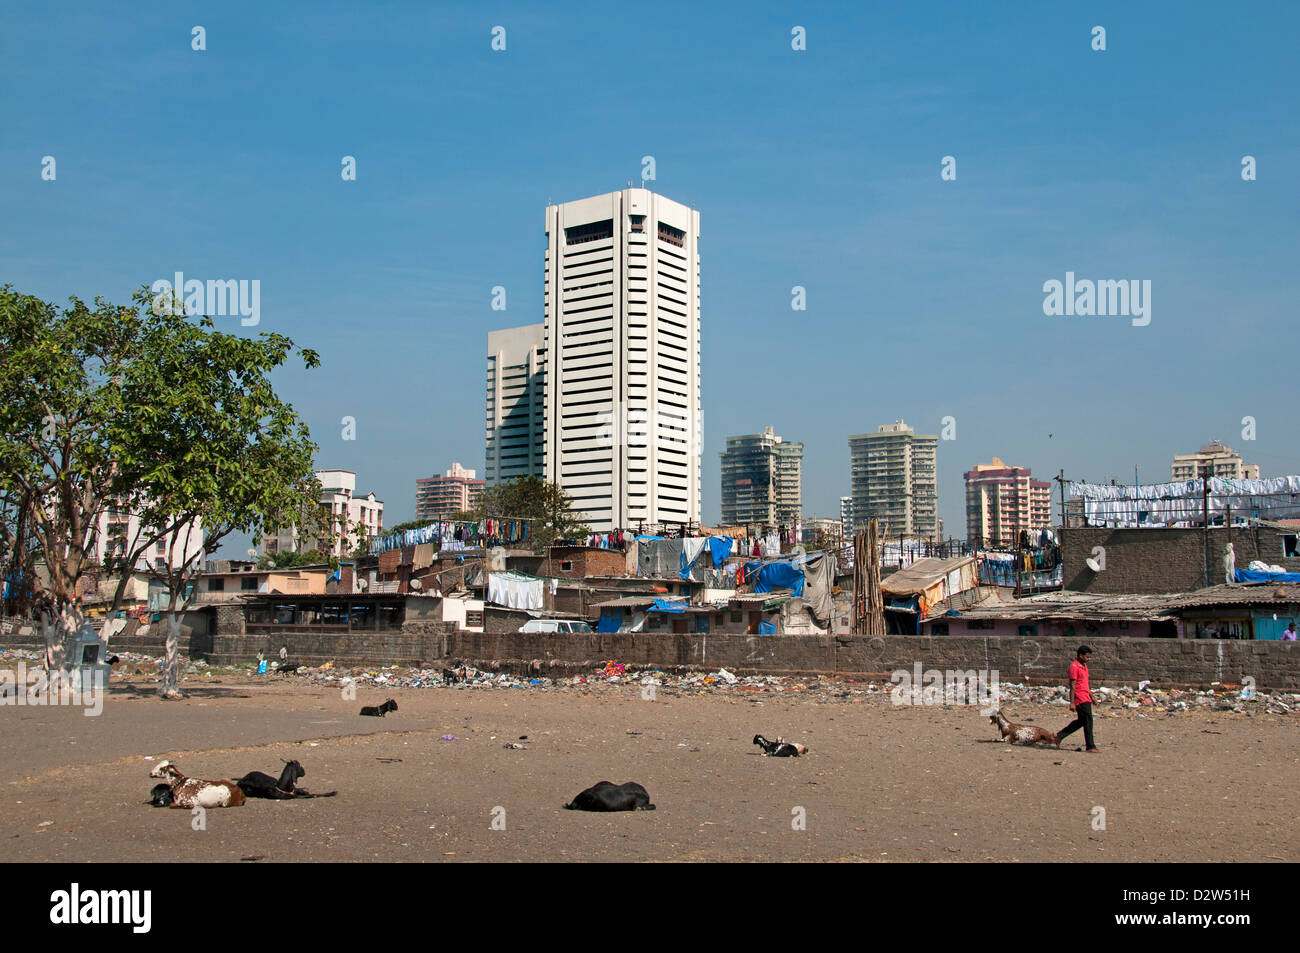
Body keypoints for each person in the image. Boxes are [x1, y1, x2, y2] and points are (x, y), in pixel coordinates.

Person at [1056, 645, 1099, 752]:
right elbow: (1073, 685)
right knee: (1088, 721)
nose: (1088, 659)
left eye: (1089, 657)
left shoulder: (1084, 666)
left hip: (1086, 696)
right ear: (1080, 656)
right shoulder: (1074, 667)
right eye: (1087, 657)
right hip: (1080, 698)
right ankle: (1090, 746)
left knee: (1081, 721)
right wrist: (1072, 702)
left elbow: (1085, 683)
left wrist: (1091, 696)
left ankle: (1059, 736)